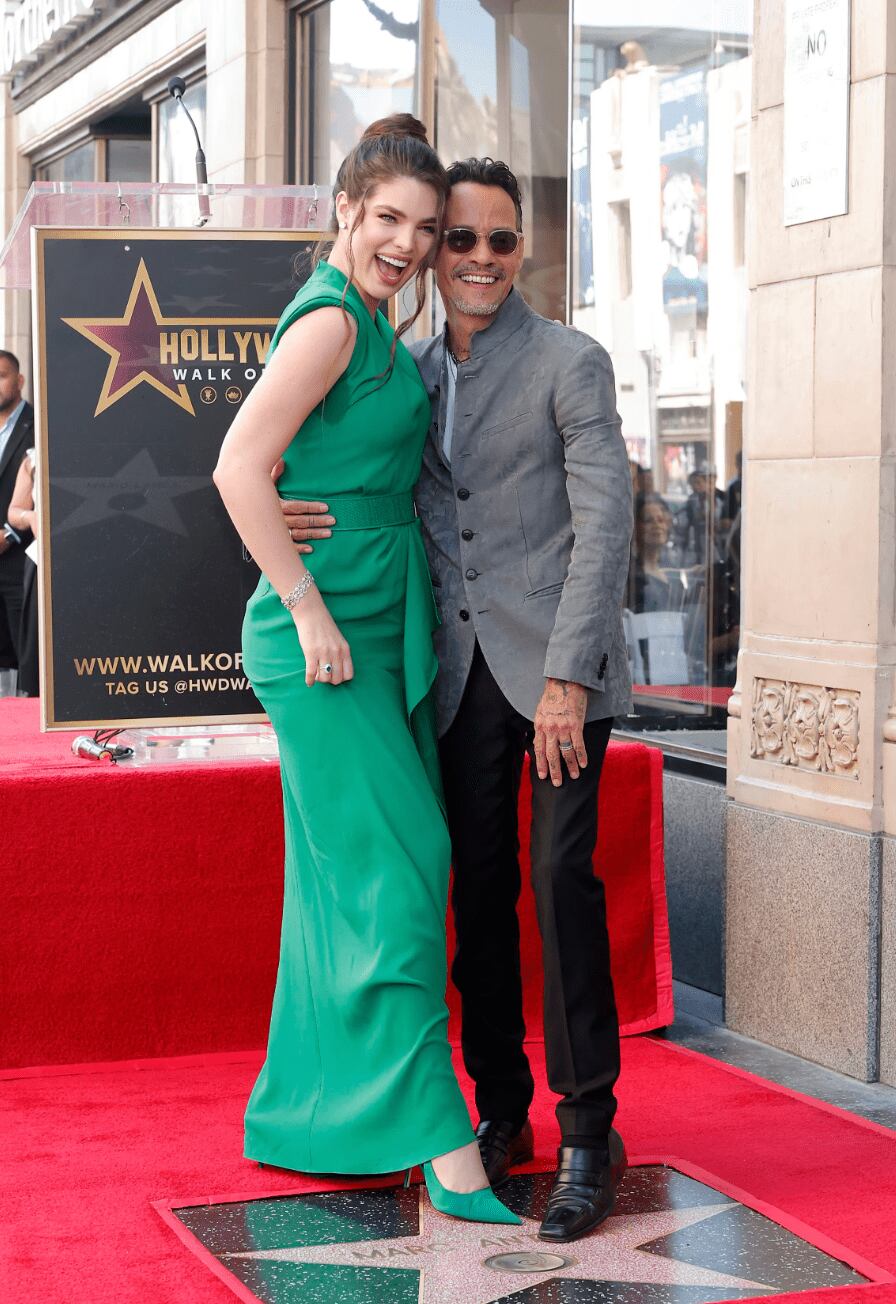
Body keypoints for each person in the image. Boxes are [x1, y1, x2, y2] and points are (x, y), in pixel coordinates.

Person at [285, 157, 633, 1243]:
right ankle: (501, 1109)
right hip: (453, 682)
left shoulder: (570, 361)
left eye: (500, 240)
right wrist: (293, 511)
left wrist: (570, 677)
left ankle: (588, 1132)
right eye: (460, 239)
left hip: (557, 679)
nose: (479, 258)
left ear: (521, 250)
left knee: (555, 882)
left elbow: (606, 520)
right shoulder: (407, 364)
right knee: (476, 899)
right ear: (433, 253)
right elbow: (356, 471)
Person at [213, 115, 517, 1228]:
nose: (406, 241)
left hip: (376, 615)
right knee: (402, 868)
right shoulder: (334, 322)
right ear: (344, 208)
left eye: (425, 228)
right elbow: (237, 464)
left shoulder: (379, 325)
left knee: (343, 886)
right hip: (325, 637)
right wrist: (303, 602)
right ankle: (442, 1141)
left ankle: (315, 1113)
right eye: (387, 216)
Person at [0, 353, 33, 688]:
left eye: (2, 375)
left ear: (19, 381)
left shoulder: (40, 428)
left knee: (24, 655)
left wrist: (8, 534)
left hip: (20, 560)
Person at [7, 447, 38, 696]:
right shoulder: (33, 459)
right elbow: (14, 511)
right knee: (36, 652)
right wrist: (31, 517)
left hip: (89, 564)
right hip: (42, 564)